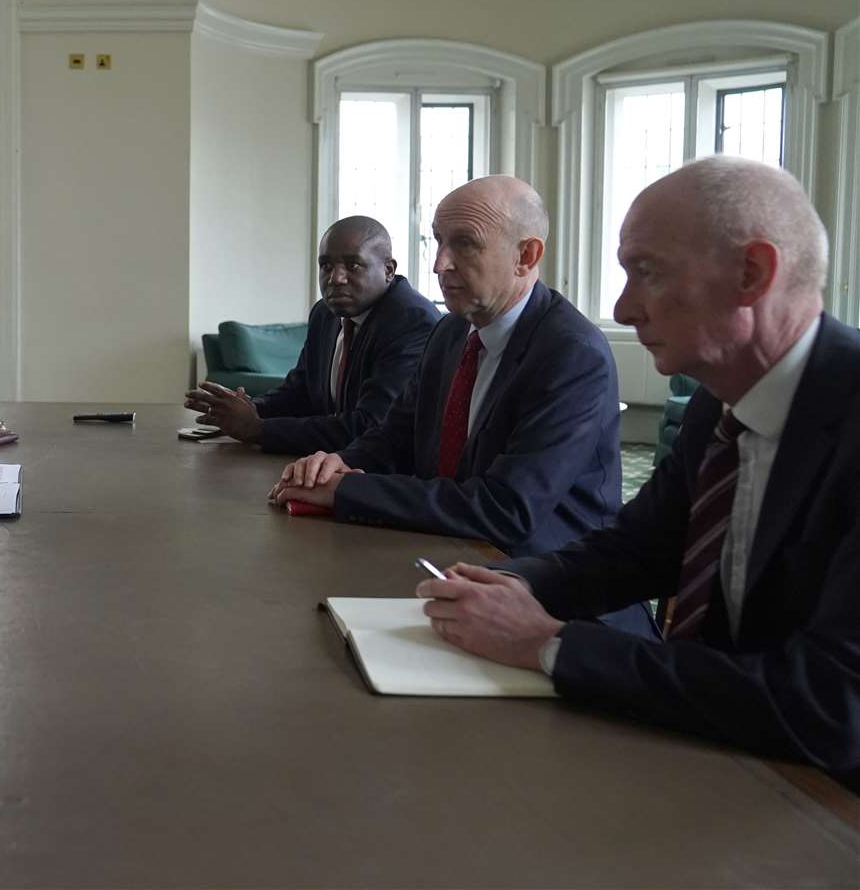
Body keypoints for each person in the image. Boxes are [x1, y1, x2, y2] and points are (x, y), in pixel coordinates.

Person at [417, 157, 860, 787]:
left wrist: (548, 643)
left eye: (646, 273)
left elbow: (832, 706)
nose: (623, 311)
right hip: (712, 757)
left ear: (752, 274)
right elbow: (636, 550)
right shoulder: (720, 398)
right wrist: (505, 584)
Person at [271, 176, 652, 637]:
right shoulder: (452, 332)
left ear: (526, 256)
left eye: (465, 244)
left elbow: (506, 508)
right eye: (437, 241)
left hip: (546, 597)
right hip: (444, 559)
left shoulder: (571, 353)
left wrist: (347, 492)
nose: (439, 265)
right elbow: (394, 437)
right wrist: (336, 464)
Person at [184, 216, 437, 454]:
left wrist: (258, 429)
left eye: (353, 265)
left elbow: (370, 426)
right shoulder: (325, 313)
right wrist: (244, 411)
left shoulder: (412, 321)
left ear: (388, 270)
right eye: (326, 265)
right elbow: (300, 392)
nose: (336, 278)